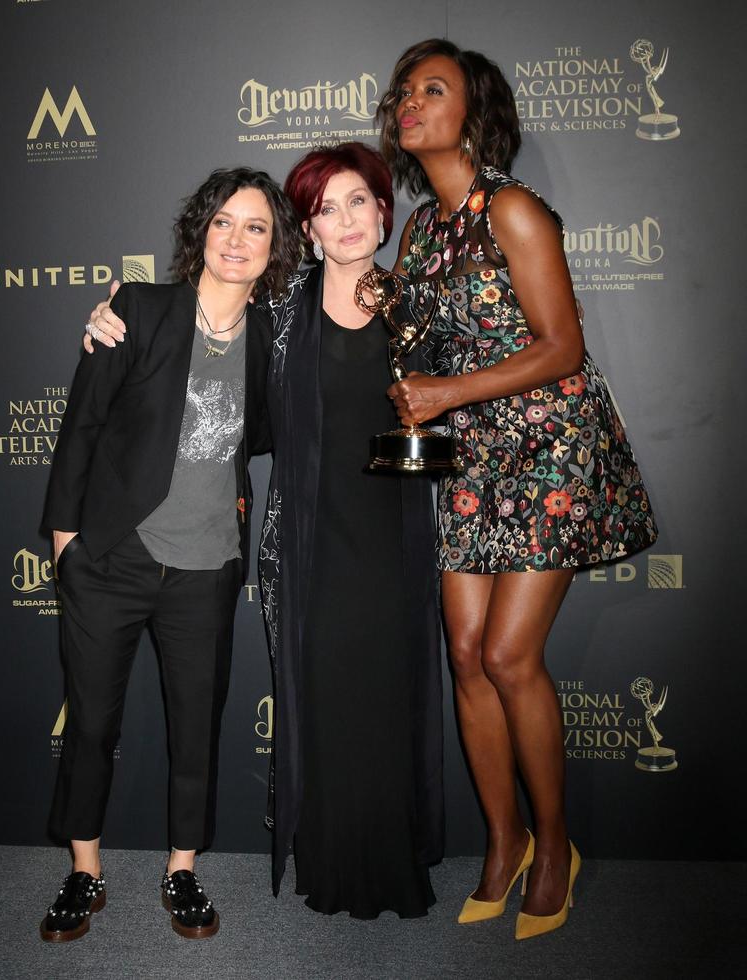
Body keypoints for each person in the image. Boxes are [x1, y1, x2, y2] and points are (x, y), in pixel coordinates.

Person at [86, 143, 444, 920]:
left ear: (385, 212)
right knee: (323, 700)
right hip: (311, 539)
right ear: (308, 230)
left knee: (386, 696)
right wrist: (113, 321)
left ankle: (390, 859)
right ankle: (330, 860)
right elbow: (199, 360)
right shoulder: (280, 318)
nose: (345, 221)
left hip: (395, 536)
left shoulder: (421, 303)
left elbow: (467, 400)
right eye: (326, 208)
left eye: (359, 202)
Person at [376, 39, 658, 940]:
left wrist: (445, 393)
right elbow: (415, 341)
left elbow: (561, 348)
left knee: (506, 656)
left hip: (549, 452)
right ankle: (502, 843)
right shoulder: (420, 231)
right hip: (472, 459)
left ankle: (558, 843)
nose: (410, 102)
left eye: (433, 89)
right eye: (403, 91)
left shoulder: (515, 210)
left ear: (474, 112)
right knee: (464, 654)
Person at [39, 167, 302, 942]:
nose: (237, 239)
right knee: (89, 725)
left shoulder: (273, 343)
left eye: (256, 227)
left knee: (197, 728)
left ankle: (181, 870)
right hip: (111, 559)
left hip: (207, 569)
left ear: (275, 247)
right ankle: (84, 872)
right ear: (201, 231)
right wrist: (66, 542)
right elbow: (81, 424)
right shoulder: (139, 310)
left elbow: (265, 433)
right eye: (224, 221)